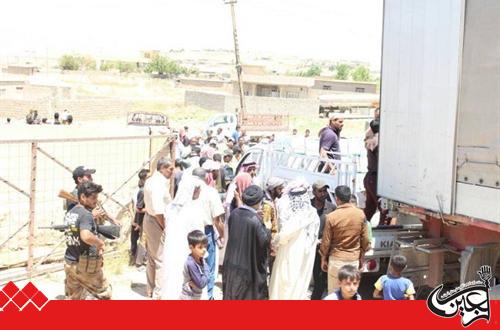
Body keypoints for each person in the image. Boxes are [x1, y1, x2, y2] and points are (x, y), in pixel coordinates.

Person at [269, 180, 320, 300]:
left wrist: (274, 242)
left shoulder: (297, 219)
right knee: (299, 285)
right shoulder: (313, 214)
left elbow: (282, 237)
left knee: (285, 286)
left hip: (290, 256)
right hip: (305, 257)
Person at [63, 182, 112, 300]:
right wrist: (100, 243)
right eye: (93, 198)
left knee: (74, 298)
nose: (96, 200)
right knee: (104, 293)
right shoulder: (86, 215)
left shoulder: (71, 213)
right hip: (85, 266)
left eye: (97, 197)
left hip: (70, 263)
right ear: (83, 197)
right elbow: (85, 235)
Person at [223, 185, 271, 300]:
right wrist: (267, 227)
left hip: (232, 264)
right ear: (258, 202)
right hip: (248, 269)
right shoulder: (256, 221)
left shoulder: (234, 213)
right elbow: (263, 242)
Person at [320, 185, 370, 293]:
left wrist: (323, 258)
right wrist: (362, 255)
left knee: (334, 293)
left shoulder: (331, 217)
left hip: (336, 260)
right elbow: (365, 239)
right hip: (353, 260)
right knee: (349, 293)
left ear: (337, 199)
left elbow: (326, 242)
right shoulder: (360, 214)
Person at [161, 175, 203, 300]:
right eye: (197, 189)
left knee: (171, 281)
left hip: (171, 251)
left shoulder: (170, 208)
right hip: (186, 252)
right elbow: (199, 237)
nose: (199, 192)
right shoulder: (194, 211)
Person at [143, 157, 174, 298]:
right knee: (161, 259)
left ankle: (151, 289)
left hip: (150, 219)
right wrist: (164, 227)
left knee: (152, 257)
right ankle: (159, 294)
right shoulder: (157, 184)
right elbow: (159, 211)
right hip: (156, 221)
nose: (172, 172)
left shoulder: (153, 180)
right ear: (162, 168)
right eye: (170, 169)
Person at [192, 168, 225, 300]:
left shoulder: (186, 190)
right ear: (206, 177)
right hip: (206, 232)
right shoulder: (211, 192)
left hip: (190, 232)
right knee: (208, 267)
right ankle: (208, 296)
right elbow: (217, 219)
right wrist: (222, 235)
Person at [310, 180, 336, 300]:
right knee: (317, 278)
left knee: (327, 279)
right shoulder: (308, 206)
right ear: (314, 192)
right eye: (320, 191)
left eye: (325, 191)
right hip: (312, 248)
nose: (323, 193)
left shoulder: (331, 208)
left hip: (327, 249)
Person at [363, 119, 390, 225]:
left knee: (369, 208)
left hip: (370, 178)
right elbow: (382, 162)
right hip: (376, 179)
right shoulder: (380, 141)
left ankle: (361, 230)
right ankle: (381, 231)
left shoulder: (371, 140)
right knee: (384, 208)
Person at [180, 230, 210, 300]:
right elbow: (201, 284)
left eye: (205, 246)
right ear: (191, 247)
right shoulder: (191, 263)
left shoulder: (200, 259)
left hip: (195, 296)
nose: (204, 250)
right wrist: (207, 270)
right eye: (200, 247)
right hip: (188, 297)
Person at [130, 169, 149, 266]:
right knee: (143, 240)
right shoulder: (142, 191)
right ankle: (140, 261)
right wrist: (150, 209)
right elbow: (138, 208)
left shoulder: (143, 189)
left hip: (140, 219)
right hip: (141, 219)